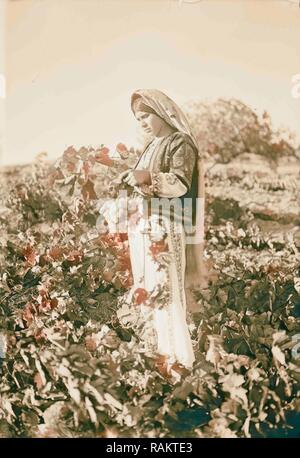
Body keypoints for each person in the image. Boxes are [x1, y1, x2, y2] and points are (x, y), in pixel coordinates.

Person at [105, 89, 205, 375]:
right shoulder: (150, 147)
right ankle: (158, 354)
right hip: (145, 228)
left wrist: (146, 176)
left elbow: (179, 185)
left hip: (167, 227)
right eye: (138, 119)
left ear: (161, 111)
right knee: (149, 288)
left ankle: (177, 359)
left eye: (146, 115)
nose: (143, 123)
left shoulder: (179, 142)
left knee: (167, 290)